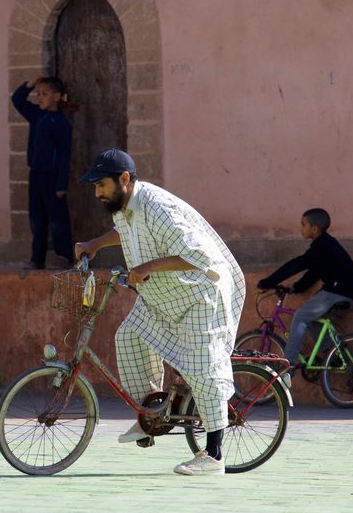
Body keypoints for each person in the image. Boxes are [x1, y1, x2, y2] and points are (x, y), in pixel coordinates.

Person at [73, 148, 245, 476]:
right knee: (129, 336)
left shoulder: (158, 208)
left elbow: (199, 256)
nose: (97, 192)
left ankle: (213, 456)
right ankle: (151, 413)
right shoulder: (123, 207)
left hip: (199, 295)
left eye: (102, 185)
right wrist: (94, 244)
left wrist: (148, 267)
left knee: (202, 370)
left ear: (124, 179)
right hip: (166, 294)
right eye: (95, 186)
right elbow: (124, 233)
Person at [256, 208, 353, 369]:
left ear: (315, 229)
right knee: (311, 319)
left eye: (303, 224)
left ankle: (287, 365)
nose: (301, 228)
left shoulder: (322, 246)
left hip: (338, 290)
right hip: (344, 291)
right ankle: (334, 354)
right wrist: (296, 287)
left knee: (300, 317)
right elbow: (314, 272)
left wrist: (268, 282)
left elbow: (297, 265)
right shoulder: (326, 246)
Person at [11, 76, 73, 269]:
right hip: (36, 175)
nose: (40, 97)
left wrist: (62, 184)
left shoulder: (62, 124)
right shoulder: (36, 115)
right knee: (37, 219)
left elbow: (64, 156)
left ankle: (65, 257)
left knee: (57, 220)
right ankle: (37, 260)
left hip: (53, 178)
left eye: (44, 94)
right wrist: (29, 84)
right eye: (38, 94)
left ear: (56, 97)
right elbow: (17, 99)